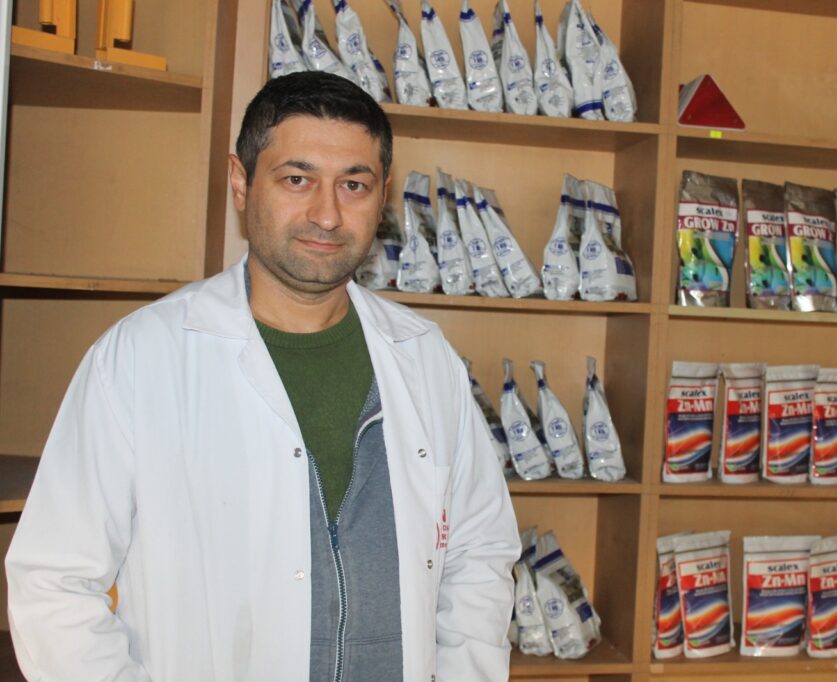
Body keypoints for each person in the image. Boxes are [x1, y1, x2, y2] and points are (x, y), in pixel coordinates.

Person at [5, 71, 520, 681]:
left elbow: (478, 555)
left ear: (382, 197)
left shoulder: (425, 357)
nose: (327, 214)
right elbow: (55, 580)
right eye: (297, 179)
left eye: (353, 185)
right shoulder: (142, 357)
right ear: (241, 182)